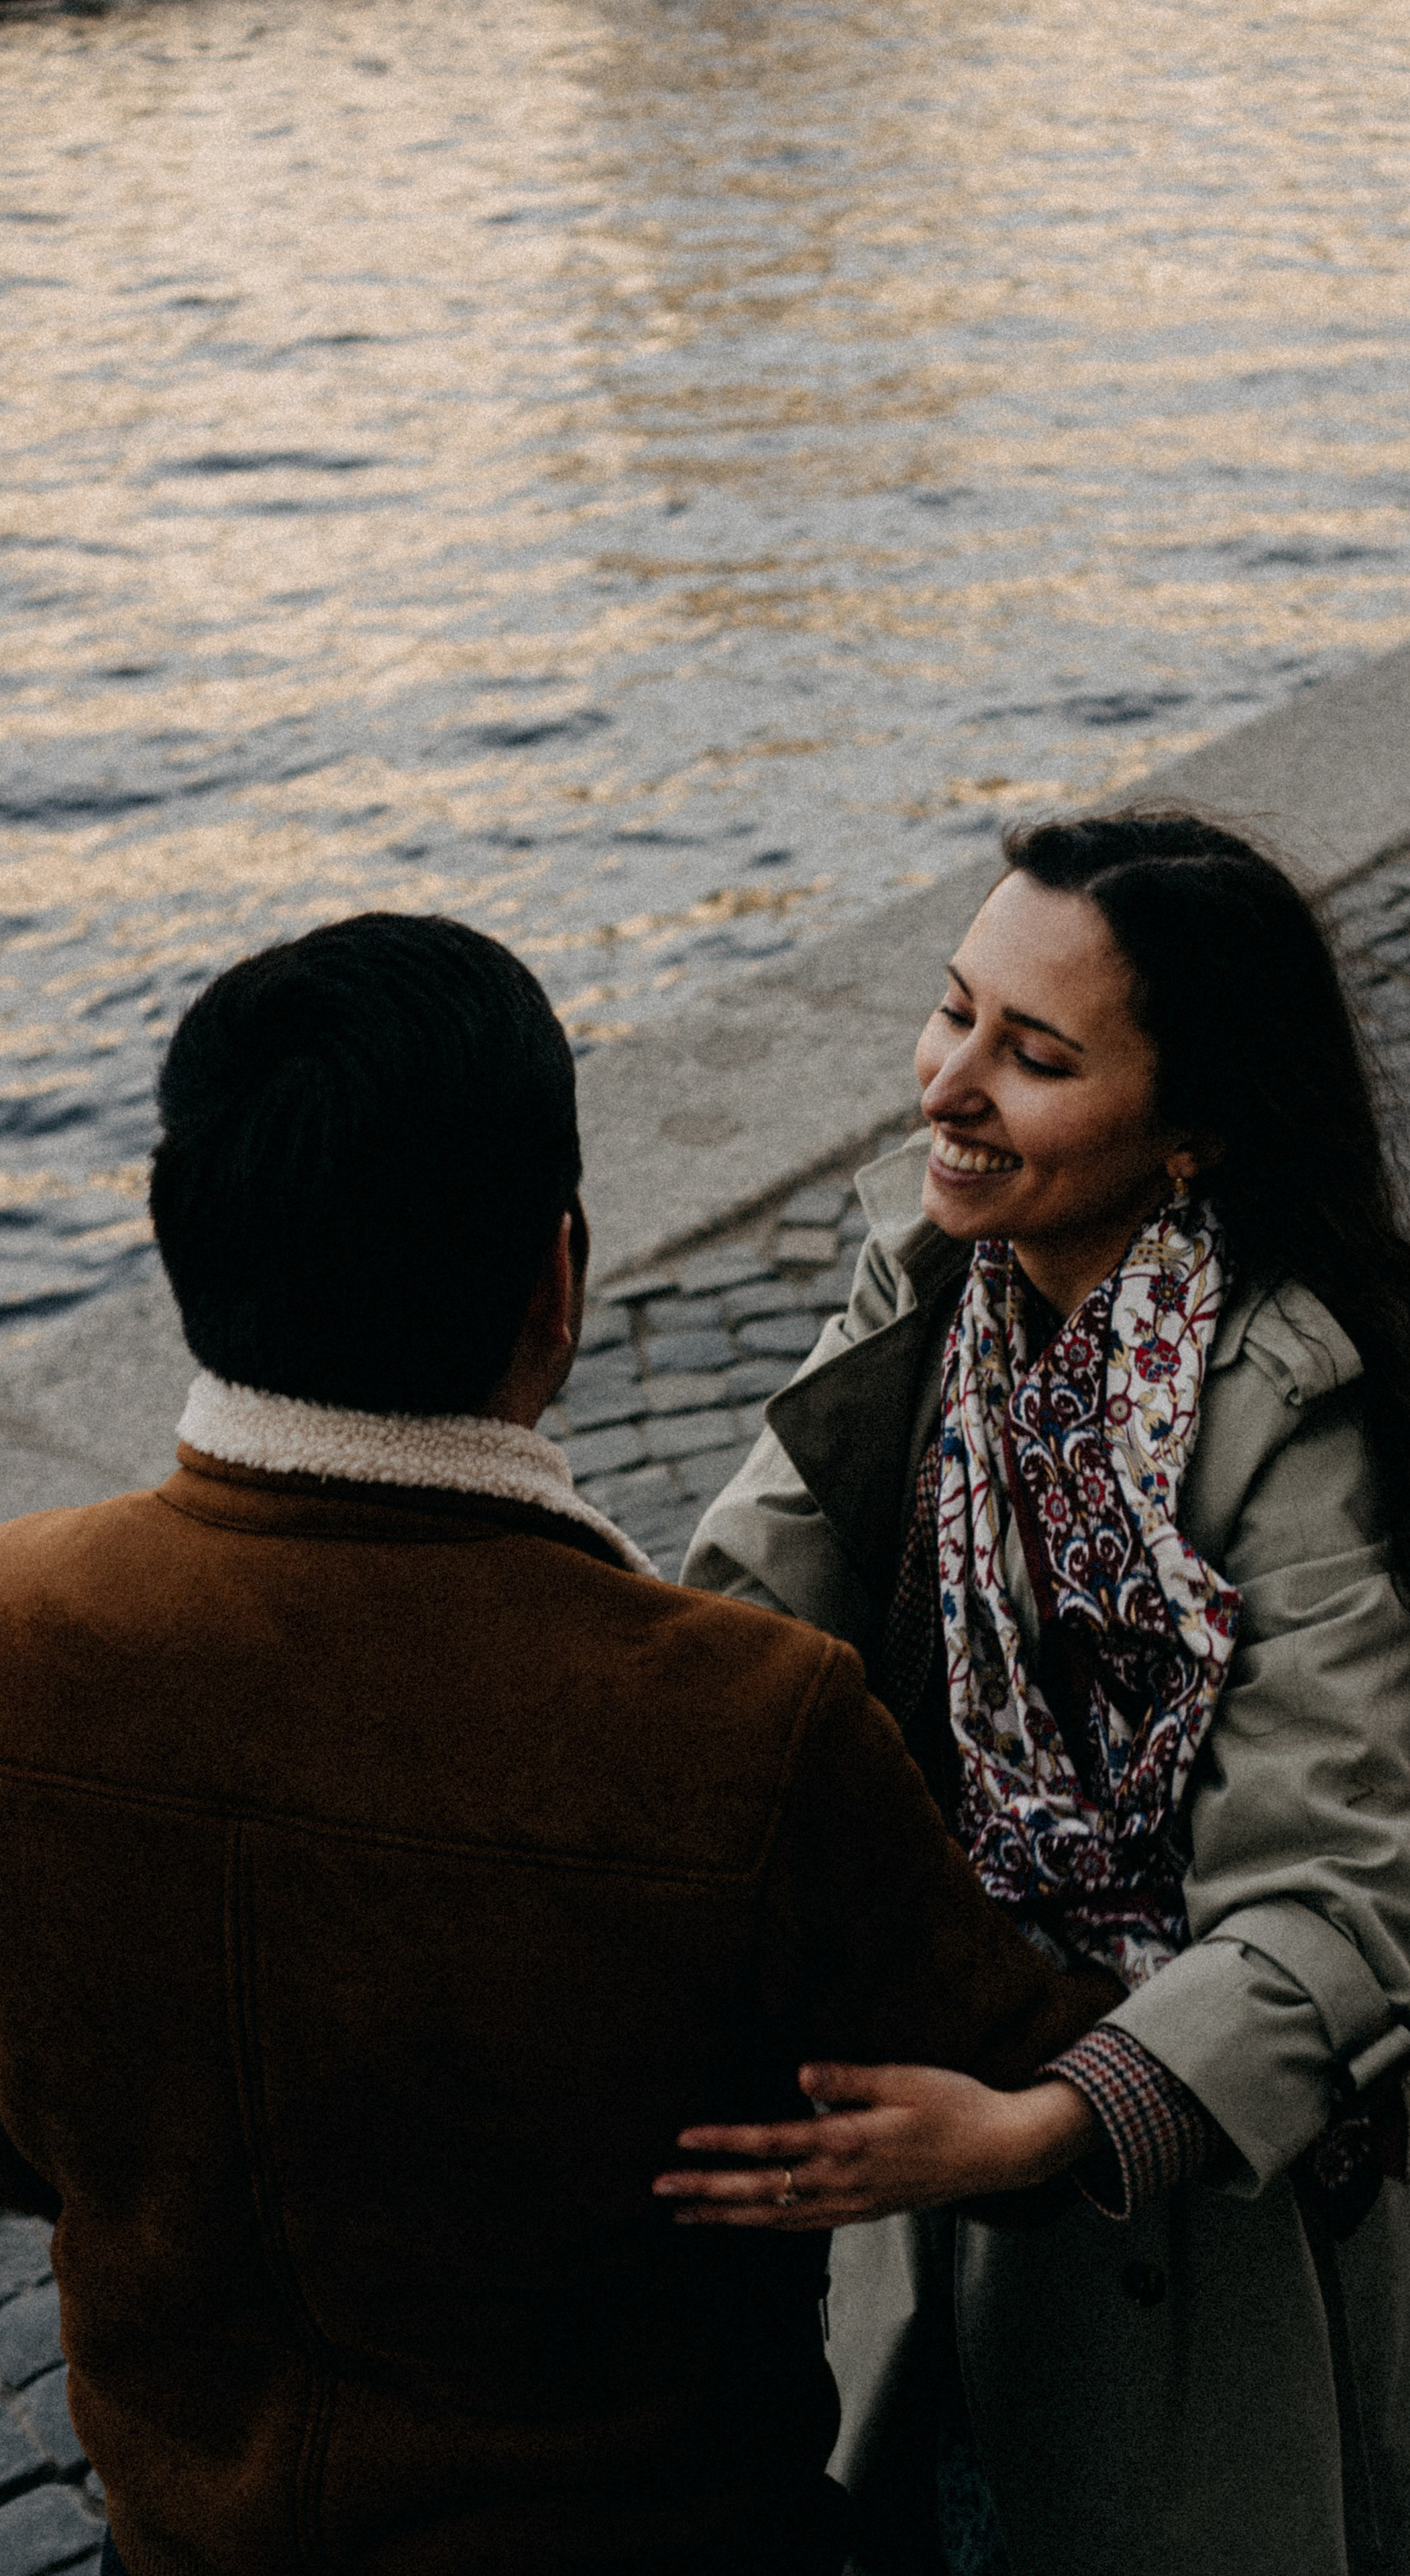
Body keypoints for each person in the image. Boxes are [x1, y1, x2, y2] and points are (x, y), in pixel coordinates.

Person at [0, 912, 1126, 2576]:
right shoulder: (740, 1726)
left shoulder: (23, 1634)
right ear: (556, 1272)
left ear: (178, 1240)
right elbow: (1017, 2108)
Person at [666, 811, 1410, 2576]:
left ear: (1193, 1131)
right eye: (951, 1014)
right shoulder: (927, 1293)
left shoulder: (1299, 1422)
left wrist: (1040, 2129)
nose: (948, 1085)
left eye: (1037, 1053)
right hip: (934, 2157)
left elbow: (1343, 1898)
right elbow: (724, 1634)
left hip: (1175, 2211)